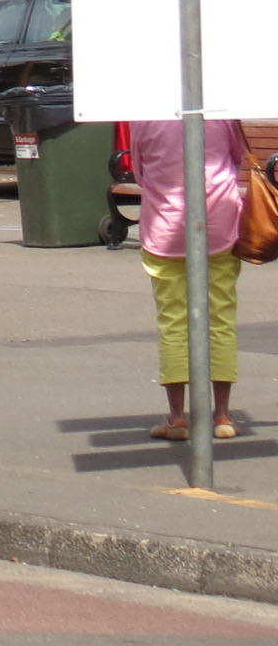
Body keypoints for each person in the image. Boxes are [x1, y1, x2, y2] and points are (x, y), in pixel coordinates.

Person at [129, 115, 248, 442]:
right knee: (221, 317)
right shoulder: (220, 108)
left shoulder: (144, 115)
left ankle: (178, 417)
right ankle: (222, 416)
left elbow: (140, 170)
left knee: (173, 321)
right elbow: (236, 156)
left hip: (164, 226)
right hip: (220, 220)